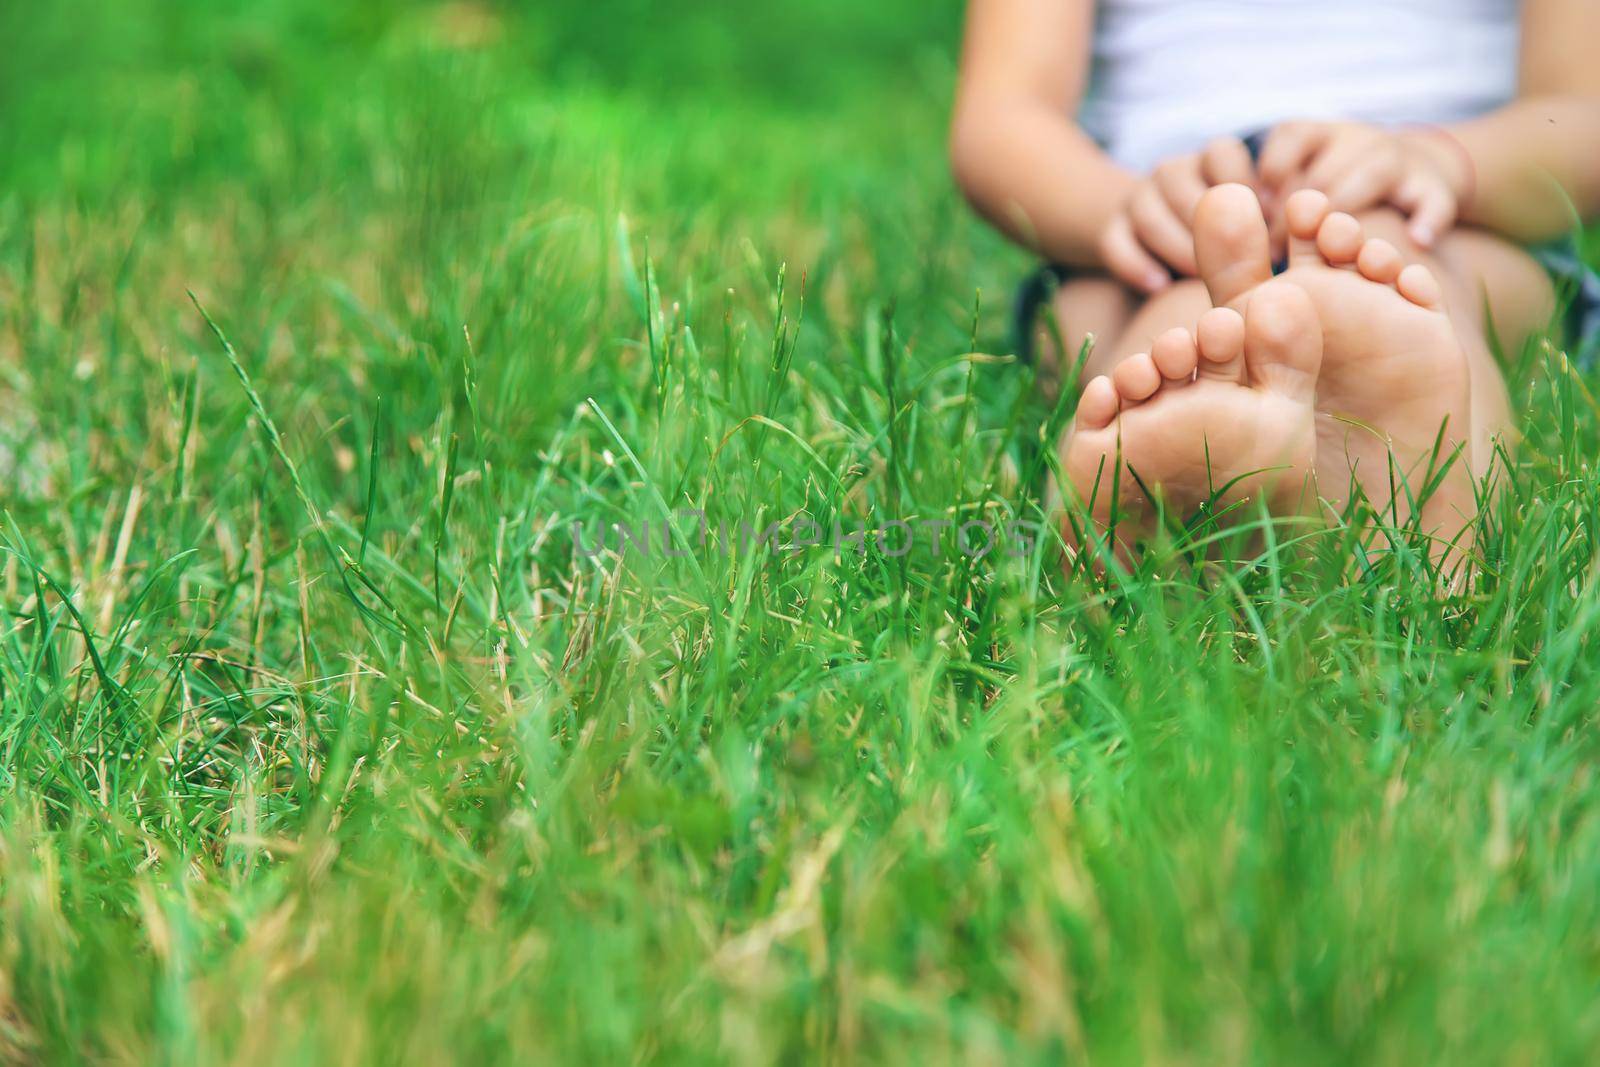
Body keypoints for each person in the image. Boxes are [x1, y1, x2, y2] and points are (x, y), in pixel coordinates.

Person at [950, 0, 1600, 559]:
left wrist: (1438, 162)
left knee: (1394, 283)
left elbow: (1582, 116)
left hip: (1454, 211)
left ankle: (1411, 527)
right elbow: (1002, 120)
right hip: (1154, 221)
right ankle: (1327, 514)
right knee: (1188, 316)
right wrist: (1121, 211)